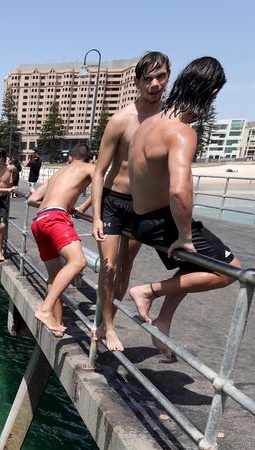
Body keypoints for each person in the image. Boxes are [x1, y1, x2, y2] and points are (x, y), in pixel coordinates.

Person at [126, 56, 242, 360]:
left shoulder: (148, 124)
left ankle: (163, 321)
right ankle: (147, 291)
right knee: (232, 271)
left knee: (193, 265)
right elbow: (179, 189)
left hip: (140, 220)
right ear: (213, 93)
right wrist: (186, 236)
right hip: (163, 222)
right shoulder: (181, 132)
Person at [91, 51, 172, 352]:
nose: (154, 84)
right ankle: (107, 326)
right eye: (148, 78)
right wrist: (97, 215)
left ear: (168, 76)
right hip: (114, 201)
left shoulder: (170, 119)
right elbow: (99, 171)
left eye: (160, 76)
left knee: (125, 267)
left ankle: (110, 318)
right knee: (109, 266)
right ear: (137, 82)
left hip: (144, 206)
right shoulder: (120, 120)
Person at [26, 144, 94, 337]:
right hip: (55, 219)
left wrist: (52, 203)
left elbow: (31, 200)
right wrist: (81, 207)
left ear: (70, 158)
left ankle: (57, 324)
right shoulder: (90, 168)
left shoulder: (58, 173)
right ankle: (45, 310)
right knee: (79, 261)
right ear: (89, 159)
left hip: (39, 220)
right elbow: (102, 186)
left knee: (54, 276)